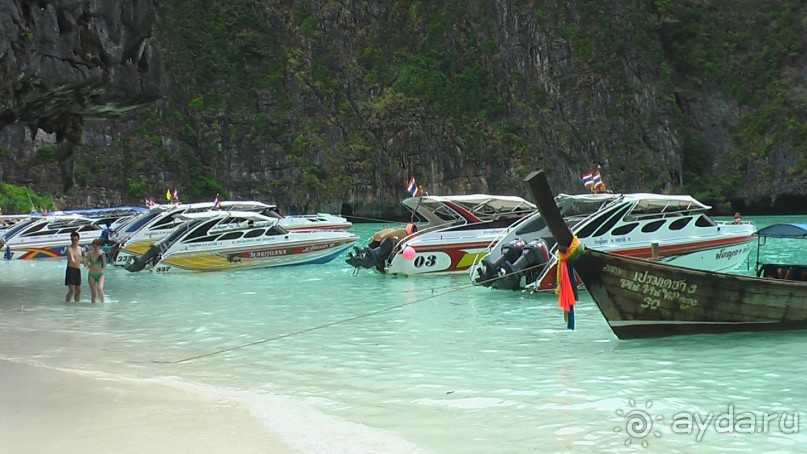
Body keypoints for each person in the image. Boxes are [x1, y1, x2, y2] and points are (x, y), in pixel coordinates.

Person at [85, 238, 106, 304]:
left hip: (100, 274)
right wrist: (87, 262)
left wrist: (103, 259)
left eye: (96, 245)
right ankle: (93, 309)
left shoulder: (102, 253)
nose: (95, 247)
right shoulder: (90, 253)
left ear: (99, 246)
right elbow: (85, 263)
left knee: (99, 288)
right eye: (94, 245)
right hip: (91, 274)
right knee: (93, 294)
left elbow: (104, 266)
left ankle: (103, 303)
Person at [65, 232, 83, 303]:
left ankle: (77, 303)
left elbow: (80, 259)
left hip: (77, 270)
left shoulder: (80, 248)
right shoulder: (69, 247)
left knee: (78, 290)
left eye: (76, 239)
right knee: (71, 290)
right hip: (71, 270)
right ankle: (67, 302)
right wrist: (72, 258)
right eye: (72, 240)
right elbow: (71, 253)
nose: (74, 241)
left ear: (78, 239)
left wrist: (87, 264)